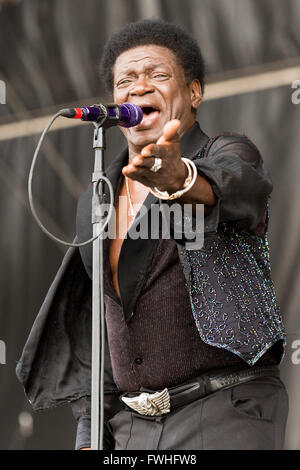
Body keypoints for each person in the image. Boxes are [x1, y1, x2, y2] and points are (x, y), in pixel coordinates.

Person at [16, 19, 288, 450]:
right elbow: (100, 324)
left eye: (157, 74)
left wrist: (179, 179)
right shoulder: (97, 196)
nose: (138, 86)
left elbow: (236, 186)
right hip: (131, 427)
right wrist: (90, 434)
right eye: (126, 79)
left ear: (194, 93)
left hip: (224, 406)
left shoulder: (227, 152)